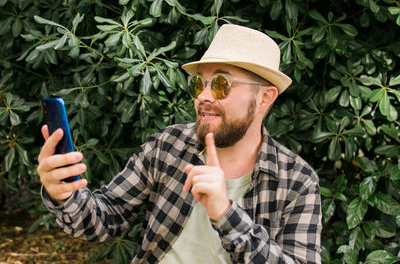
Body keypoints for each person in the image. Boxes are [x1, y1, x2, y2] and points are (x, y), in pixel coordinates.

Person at [37, 24, 322, 263]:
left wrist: (225, 213)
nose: (203, 96)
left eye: (221, 84)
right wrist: (63, 193)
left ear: (265, 98)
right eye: (200, 84)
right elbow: (103, 221)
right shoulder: (168, 146)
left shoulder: (297, 182)